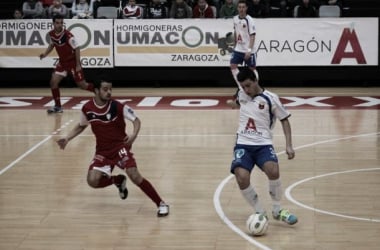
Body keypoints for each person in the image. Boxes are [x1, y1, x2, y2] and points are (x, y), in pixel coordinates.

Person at [56, 77, 170, 217]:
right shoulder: (87, 108)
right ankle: (118, 180)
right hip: (102, 151)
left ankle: (161, 204)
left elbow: (136, 121)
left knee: (134, 174)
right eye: (105, 89)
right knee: (92, 181)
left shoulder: (117, 106)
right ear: (96, 91)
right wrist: (67, 138)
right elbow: (81, 126)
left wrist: (134, 135)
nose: (109, 92)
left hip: (120, 147)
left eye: (110, 89)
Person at [230, 67, 298, 228]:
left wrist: (289, 145)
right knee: (241, 176)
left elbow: (285, 120)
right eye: (243, 87)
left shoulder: (271, 98)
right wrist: (233, 104)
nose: (246, 90)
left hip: (263, 144)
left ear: (255, 81)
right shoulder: (242, 94)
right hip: (243, 143)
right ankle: (260, 211)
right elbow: (239, 103)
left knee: (273, 170)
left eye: (248, 85)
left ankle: (277, 210)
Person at [39, 15, 94, 113]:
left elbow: (77, 48)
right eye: (57, 23)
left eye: (61, 23)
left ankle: (98, 90)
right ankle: (58, 106)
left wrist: (77, 65)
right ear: (53, 23)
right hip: (62, 63)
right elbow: (52, 44)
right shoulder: (51, 34)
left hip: (72, 63)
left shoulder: (68, 35)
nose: (59, 25)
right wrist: (45, 54)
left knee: (82, 85)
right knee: (53, 82)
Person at [227, 0, 258, 109]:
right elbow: (236, 32)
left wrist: (249, 49)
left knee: (252, 69)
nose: (241, 9)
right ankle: (241, 88)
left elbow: (253, 36)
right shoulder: (235, 19)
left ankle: (256, 89)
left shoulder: (249, 20)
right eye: (239, 7)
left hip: (249, 49)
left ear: (246, 8)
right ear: (237, 8)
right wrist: (234, 45)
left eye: (243, 7)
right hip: (238, 48)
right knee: (233, 66)